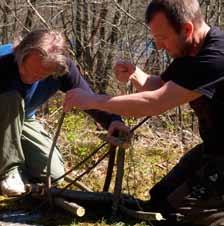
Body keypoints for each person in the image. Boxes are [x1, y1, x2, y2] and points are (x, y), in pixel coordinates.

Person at [63, 0, 224, 225]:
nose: (159, 46)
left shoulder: (215, 57)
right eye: (155, 39)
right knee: (160, 200)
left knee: (179, 217)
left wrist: (94, 100)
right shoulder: (192, 52)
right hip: (213, 151)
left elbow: (153, 103)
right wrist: (134, 74)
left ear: (187, 29)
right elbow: (159, 85)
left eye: (163, 38)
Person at [0, 29, 128, 197]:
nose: (32, 77)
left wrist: (113, 120)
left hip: (22, 119)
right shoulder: (3, 61)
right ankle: (8, 171)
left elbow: (89, 99)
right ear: (19, 52)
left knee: (53, 174)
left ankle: (16, 174)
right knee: (10, 97)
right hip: (4, 112)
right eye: (28, 70)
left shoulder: (63, 69)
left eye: (41, 74)